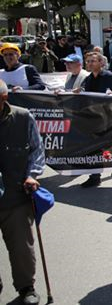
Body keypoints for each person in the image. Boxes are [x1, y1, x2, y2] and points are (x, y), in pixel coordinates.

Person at [0, 79, 45, 304]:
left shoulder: (23, 117)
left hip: (15, 193)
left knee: (21, 249)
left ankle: (26, 288)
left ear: (4, 99)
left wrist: (32, 175)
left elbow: (37, 150)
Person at [76, 52, 112, 188]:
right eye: (88, 61)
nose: (90, 64)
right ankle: (95, 175)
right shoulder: (88, 78)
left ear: (101, 63)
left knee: (111, 145)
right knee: (94, 148)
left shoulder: (111, 76)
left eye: (93, 61)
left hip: (109, 118)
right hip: (92, 119)